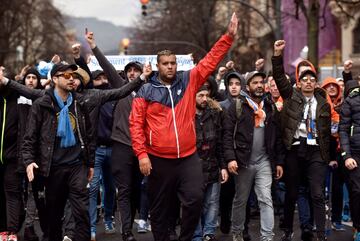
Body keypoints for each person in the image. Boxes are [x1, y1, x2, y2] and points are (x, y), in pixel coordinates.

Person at [129, 13, 238, 241]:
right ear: (157, 66)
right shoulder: (146, 91)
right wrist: (141, 155)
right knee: (159, 210)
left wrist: (228, 37)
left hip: (188, 157)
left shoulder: (189, 80)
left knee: (195, 200)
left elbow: (210, 60)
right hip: (158, 158)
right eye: (165, 64)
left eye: (173, 63)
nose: (170, 67)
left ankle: (185, 238)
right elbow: (136, 125)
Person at [272, 40, 332, 241]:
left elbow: (326, 133)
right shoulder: (291, 96)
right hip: (295, 148)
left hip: (316, 151)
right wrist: (278, 54)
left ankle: (321, 234)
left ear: (315, 84)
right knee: (291, 193)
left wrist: (328, 156)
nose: (308, 82)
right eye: (304, 79)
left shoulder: (323, 104)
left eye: (311, 79)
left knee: (317, 193)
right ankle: (287, 231)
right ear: (299, 82)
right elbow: (279, 77)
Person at [224, 71, 283, 241]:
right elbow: (227, 135)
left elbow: (276, 137)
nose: (259, 85)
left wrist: (278, 162)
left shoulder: (270, 106)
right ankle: (237, 232)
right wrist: (230, 159)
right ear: (247, 86)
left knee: (266, 199)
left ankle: (267, 237)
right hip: (243, 161)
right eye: (254, 82)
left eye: (261, 82)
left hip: (264, 161)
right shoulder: (237, 106)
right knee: (240, 200)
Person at [192, 86, 228, 241]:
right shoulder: (186, 116)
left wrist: (223, 166)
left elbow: (219, 143)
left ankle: (209, 232)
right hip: (193, 168)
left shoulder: (214, 115)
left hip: (212, 165)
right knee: (195, 203)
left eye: (207, 95)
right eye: (200, 95)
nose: (205, 99)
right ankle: (197, 234)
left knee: (212, 202)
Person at [339, 79, 360, 241]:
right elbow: (343, 130)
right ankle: (358, 227)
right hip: (355, 154)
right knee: (356, 192)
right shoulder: (351, 100)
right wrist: (347, 155)